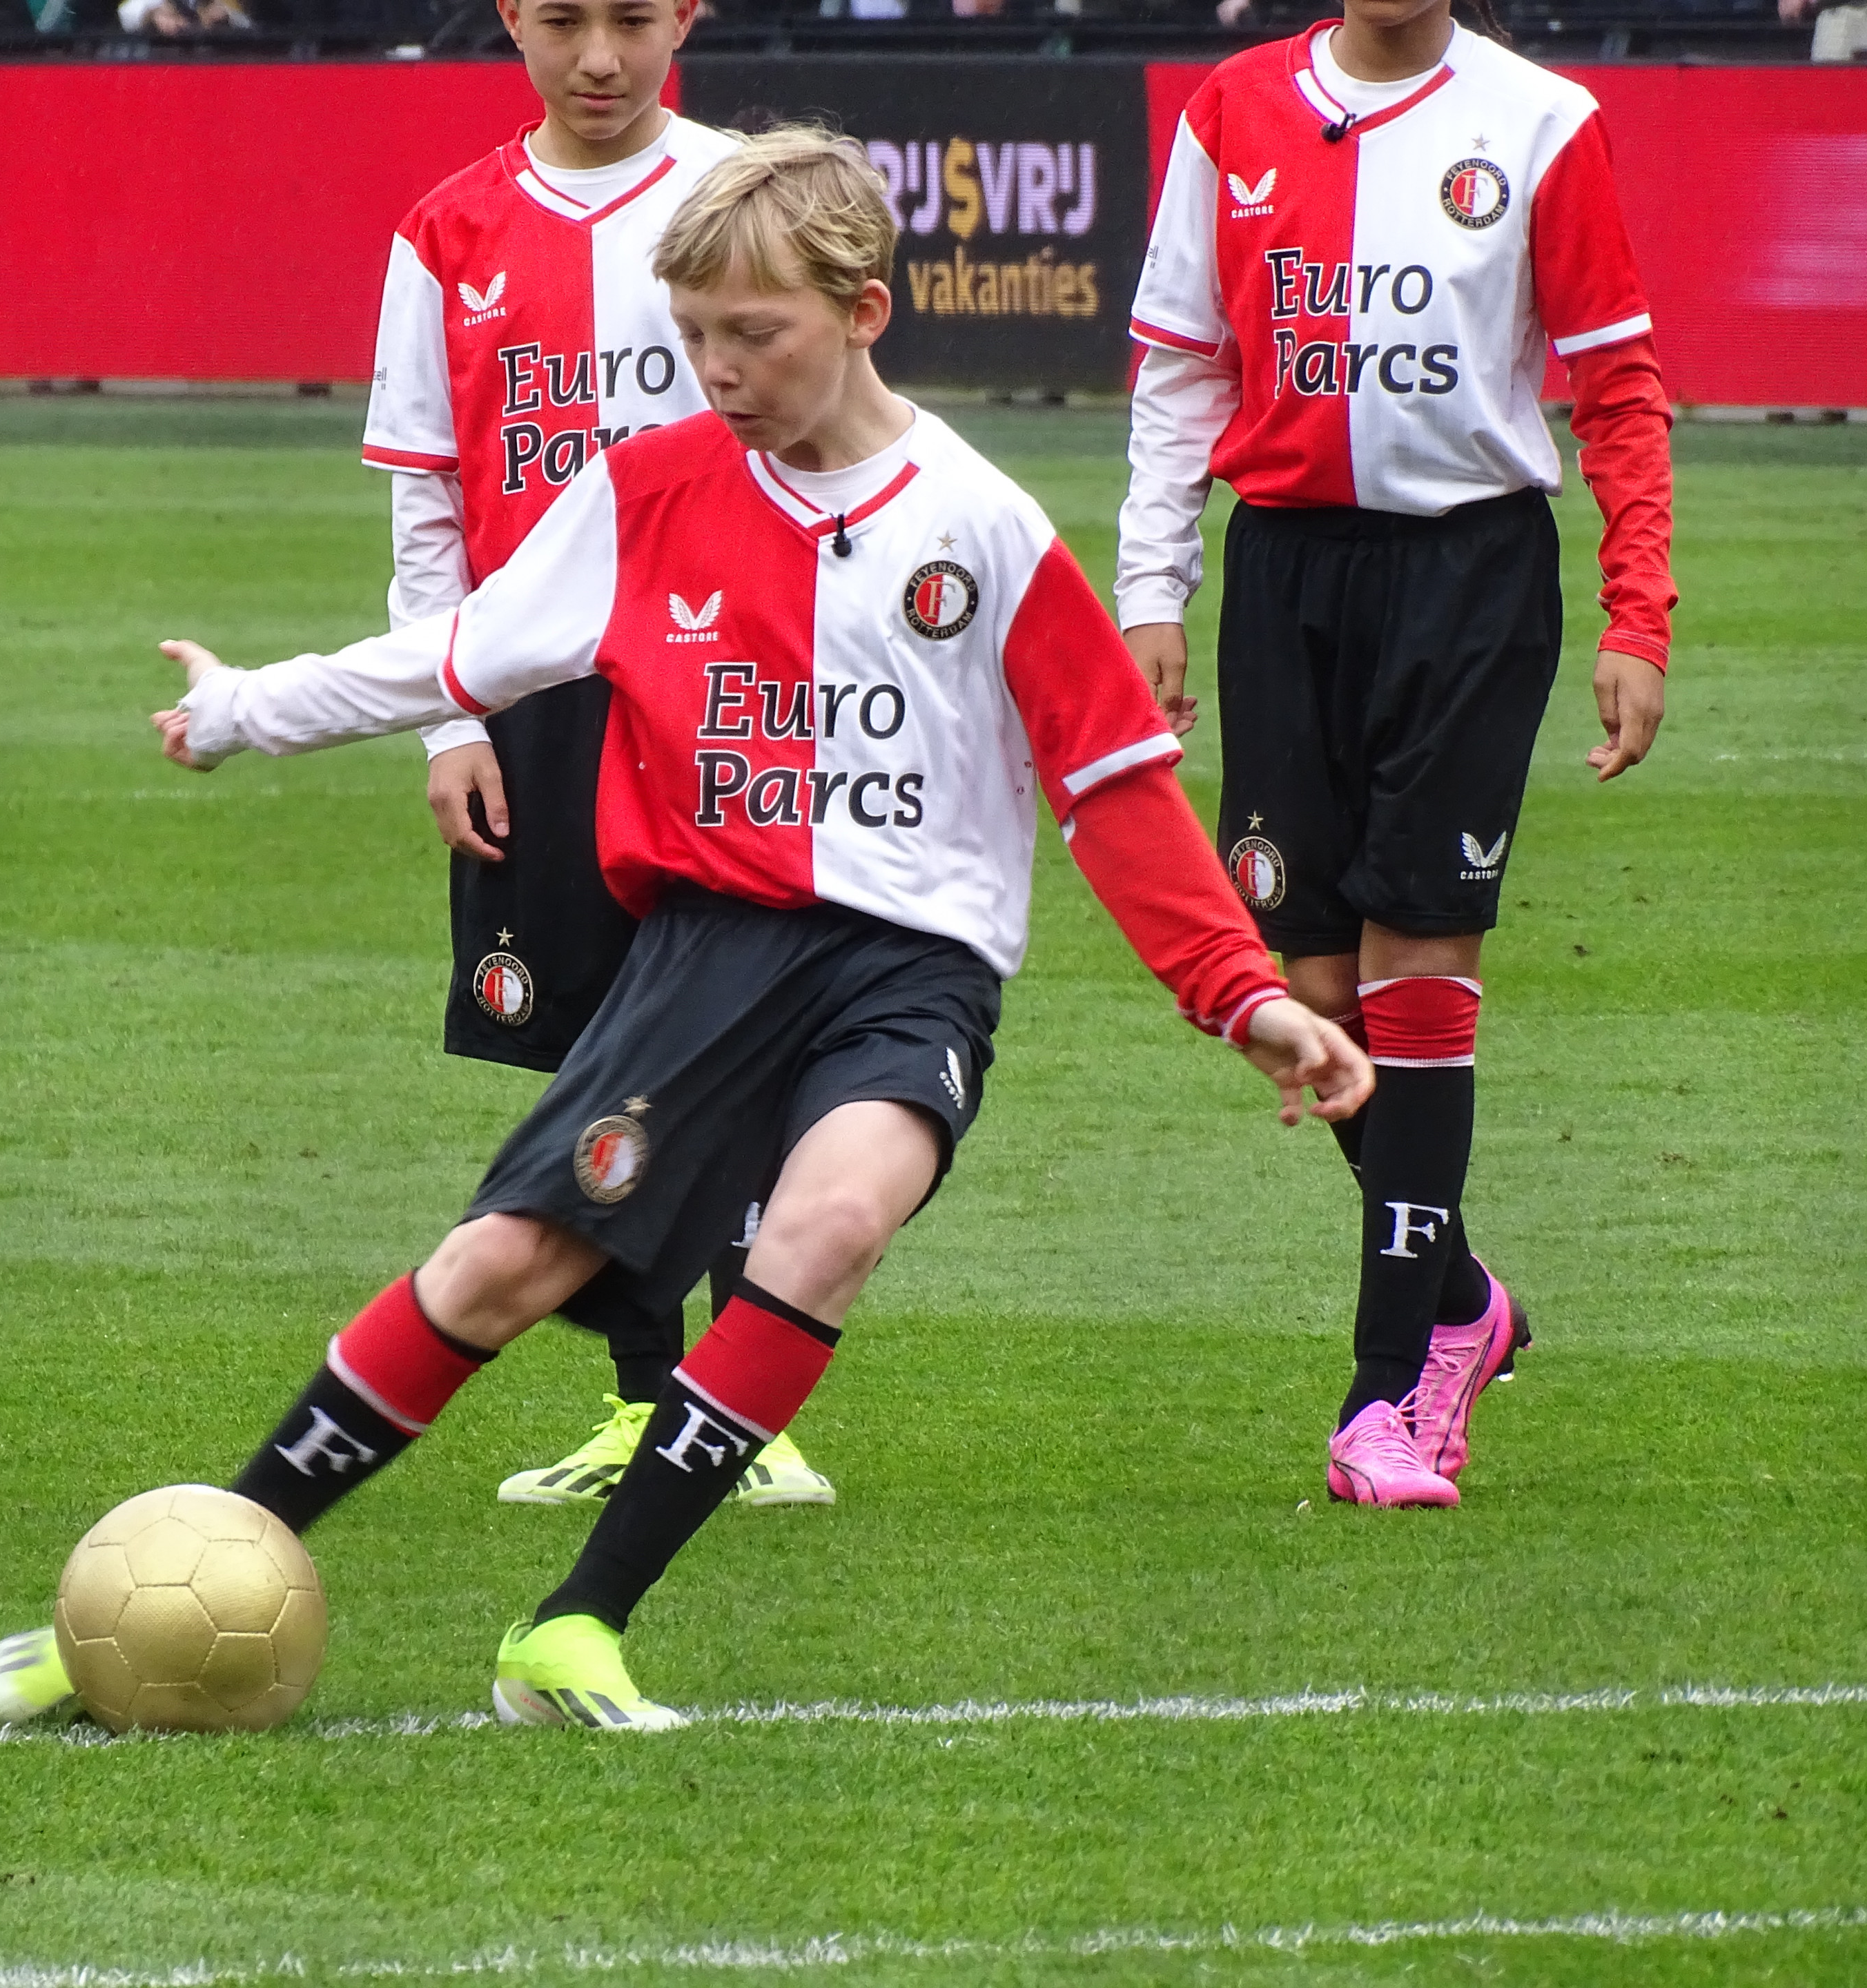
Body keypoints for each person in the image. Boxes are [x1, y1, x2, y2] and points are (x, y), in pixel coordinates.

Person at [106, 128, 1370, 1728]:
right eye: (693, 335)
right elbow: (458, 655)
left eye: (753, 334)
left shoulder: (983, 527)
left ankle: (576, 1629)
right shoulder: (642, 495)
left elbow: (1115, 786)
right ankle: (219, 1551)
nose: (717, 369)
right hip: (705, 952)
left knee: (829, 1228)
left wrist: (1241, 993)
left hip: (911, 975)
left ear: (863, 309)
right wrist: (240, 714)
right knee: (501, 1267)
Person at [1116, 0, 1674, 1506]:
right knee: (1308, 991)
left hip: (1471, 581)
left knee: (1421, 968)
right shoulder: (1233, 111)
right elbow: (1179, 368)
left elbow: (1615, 387)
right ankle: (1464, 1301)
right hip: (1289, 573)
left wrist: (1641, 610)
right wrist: (1153, 589)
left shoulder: (1542, 121)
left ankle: (1389, 1397)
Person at [360, 0, 833, 1511]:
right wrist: (450, 720)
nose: (601, 57)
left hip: (726, 678)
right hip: (542, 699)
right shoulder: (447, 233)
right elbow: (432, 503)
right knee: (590, 1053)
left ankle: (747, 1407)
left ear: (685, 12)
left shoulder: (737, 205)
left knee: (751, 1030)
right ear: (513, 18)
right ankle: (648, 1404)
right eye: (564, 20)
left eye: (633, 18)